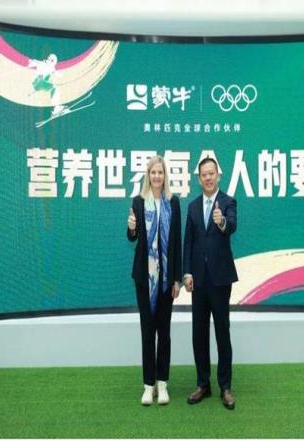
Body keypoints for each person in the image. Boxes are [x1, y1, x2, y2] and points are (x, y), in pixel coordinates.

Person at [183, 157, 238, 410]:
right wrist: (187, 273)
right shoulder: (193, 207)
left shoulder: (228, 202)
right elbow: (188, 242)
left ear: (218, 176)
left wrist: (221, 221)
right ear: (199, 179)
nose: (208, 178)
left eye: (211, 174)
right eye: (204, 174)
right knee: (199, 333)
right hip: (199, 281)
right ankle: (203, 384)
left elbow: (232, 226)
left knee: (222, 332)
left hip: (220, 279)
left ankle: (225, 387)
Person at [126, 155, 182, 406]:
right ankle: (148, 386)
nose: (157, 176)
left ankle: (163, 383)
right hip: (144, 279)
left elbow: (177, 242)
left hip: (167, 280)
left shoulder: (173, 202)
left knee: (164, 333)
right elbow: (133, 237)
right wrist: (131, 228)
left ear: (165, 175)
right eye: (153, 172)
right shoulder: (138, 202)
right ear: (148, 176)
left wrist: (177, 279)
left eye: (160, 172)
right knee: (147, 332)